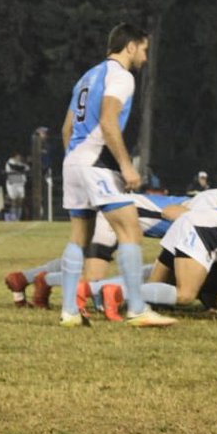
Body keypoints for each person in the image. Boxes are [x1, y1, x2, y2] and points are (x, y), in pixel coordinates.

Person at [56, 22, 175, 327]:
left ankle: (69, 311)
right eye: (144, 50)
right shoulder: (121, 77)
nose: (145, 58)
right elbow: (109, 122)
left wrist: (77, 160)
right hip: (97, 161)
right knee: (130, 230)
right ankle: (137, 308)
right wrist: (125, 165)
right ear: (130, 46)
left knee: (79, 235)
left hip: (74, 161)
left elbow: (66, 129)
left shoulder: (87, 76)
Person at [5, 152, 30, 221]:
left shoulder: (22, 164)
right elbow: (16, 168)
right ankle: (13, 216)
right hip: (12, 183)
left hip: (20, 183)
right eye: (17, 156)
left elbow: (27, 168)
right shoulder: (10, 162)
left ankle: (18, 217)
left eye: (20, 157)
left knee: (20, 200)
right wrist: (21, 168)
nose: (19, 158)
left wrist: (22, 167)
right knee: (14, 200)